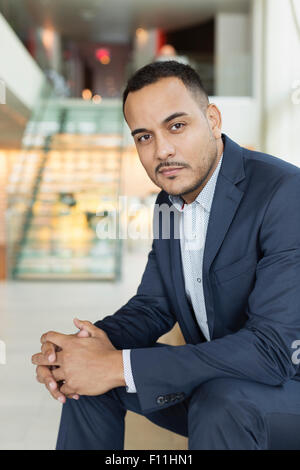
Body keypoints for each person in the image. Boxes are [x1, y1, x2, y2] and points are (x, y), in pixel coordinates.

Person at [32, 61, 300, 450]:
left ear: (212, 119)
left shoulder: (284, 192)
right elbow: (152, 307)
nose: (163, 150)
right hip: (218, 382)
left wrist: (117, 366)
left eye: (176, 126)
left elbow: (273, 349)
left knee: (218, 402)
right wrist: (83, 350)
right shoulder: (168, 203)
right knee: (87, 384)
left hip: (284, 388)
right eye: (144, 136)